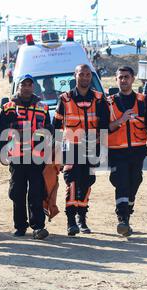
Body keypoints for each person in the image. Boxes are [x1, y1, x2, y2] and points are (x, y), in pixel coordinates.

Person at [53, 64, 109, 236]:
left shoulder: (100, 98)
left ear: (90, 76)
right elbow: (56, 126)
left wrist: (102, 148)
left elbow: (105, 124)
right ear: (74, 76)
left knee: (87, 182)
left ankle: (82, 219)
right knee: (72, 182)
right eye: (81, 74)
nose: (84, 77)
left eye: (87, 74)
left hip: (92, 145)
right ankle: (71, 221)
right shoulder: (65, 99)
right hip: (70, 146)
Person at [0, 75, 52, 239]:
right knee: (17, 192)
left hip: (37, 158)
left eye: (30, 85)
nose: (27, 87)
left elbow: (49, 131)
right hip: (16, 157)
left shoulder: (43, 108)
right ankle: (20, 226)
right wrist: (2, 152)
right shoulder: (8, 108)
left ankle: (38, 227)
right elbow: (1, 132)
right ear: (18, 87)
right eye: (24, 85)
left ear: (33, 87)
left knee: (36, 193)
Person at [107, 67, 147, 237]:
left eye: (126, 77)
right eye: (120, 77)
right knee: (121, 181)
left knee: (135, 181)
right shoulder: (109, 103)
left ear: (133, 79)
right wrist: (120, 121)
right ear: (116, 80)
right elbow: (103, 128)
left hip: (137, 151)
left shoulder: (143, 101)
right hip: (116, 151)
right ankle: (122, 219)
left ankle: (127, 211)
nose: (123, 80)